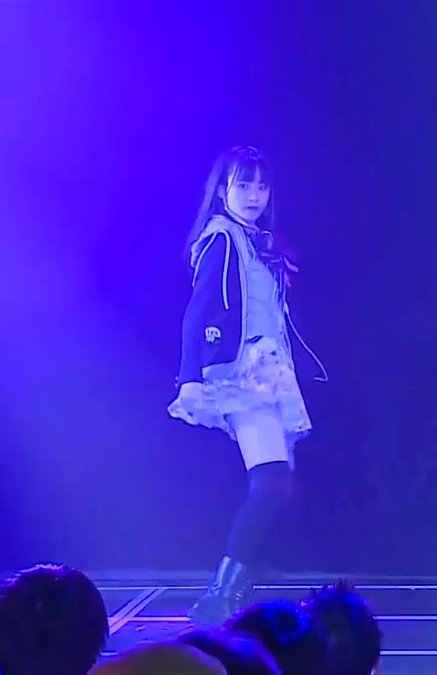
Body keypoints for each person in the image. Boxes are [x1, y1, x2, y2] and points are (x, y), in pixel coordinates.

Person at [169, 146, 328, 622]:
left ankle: (233, 592)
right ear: (223, 190)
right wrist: (189, 377)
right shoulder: (222, 237)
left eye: (261, 186)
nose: (254, 194)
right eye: (243, 184)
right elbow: (198, 309)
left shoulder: (261, 241)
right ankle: (219, 596)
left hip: (271, 371)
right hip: (243, 373)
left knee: (279, 487)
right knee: (272, 483)